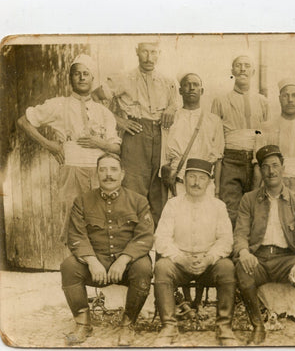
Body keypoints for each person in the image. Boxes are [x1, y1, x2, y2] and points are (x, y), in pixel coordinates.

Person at [17, 54, 121, 241]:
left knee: (101, 224)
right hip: (72, 168)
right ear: (70, 78)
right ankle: (72, 269)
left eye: (85, 74)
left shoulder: (103, 112)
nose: (81, 77)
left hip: (99, 172)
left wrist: (99, 143)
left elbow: (115, 148)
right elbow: (24, 121)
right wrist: (50, 146)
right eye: (76, 74)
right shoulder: (58, 105)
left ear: (92, 79)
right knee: (73, 224)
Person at [60, 153, 154, 346]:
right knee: (69, 266)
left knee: (144, 267)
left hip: (127, 265)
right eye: (103, 170)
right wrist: (92, 262)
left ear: (122, 174)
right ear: (97, 174)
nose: (108, 175)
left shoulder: (138, 201)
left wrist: (124, 259)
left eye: (113, 170)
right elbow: (76, 235)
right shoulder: (82, 201)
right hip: (97, 263)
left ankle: (128, 324)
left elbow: (145, 236)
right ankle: (83, 323)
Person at [234, 145, 295, 346]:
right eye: (266, 167)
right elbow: (240, 233)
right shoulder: (249, 199)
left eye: (275, 166)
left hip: (286, 259)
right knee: (242, 271)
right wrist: (244, 252)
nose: (271, 171)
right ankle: (258, 327)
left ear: (283, 168)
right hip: (259, 259)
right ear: (260, 171)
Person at [153, 158, 238, 346]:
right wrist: (180, 258)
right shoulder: (173, 204)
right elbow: (161, 238)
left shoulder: (218, 206)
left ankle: (224, 326)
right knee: (162, 267)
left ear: (209, 182)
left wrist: (209, 258)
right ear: (184, 180)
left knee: (226, 267)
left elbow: (226, 240)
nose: (196, 182)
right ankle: (169, 326)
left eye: (202, 178)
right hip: (180, 264)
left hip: (208, 264)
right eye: (191, 177)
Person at [92, 41, 179, 226]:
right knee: (133, 189)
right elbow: (94, 98)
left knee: (159, 190)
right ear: (137, 52)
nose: (149, 57)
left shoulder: (168, 81)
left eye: (153, 52)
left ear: (159, 53)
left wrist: (171, 109)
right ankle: (131, 243)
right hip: (136, 134)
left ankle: (155, 247)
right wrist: (119, 120)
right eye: (145, 52)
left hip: (162, 135)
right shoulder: (124, 78)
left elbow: (175, 103)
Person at [210, 55, 270, 227]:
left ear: (253, 71)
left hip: (255, 162)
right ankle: (231, 249)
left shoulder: (262, 101)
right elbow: (216, 136)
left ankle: (247, 250)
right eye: (238, 65)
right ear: (232, 71)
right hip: (231, 160)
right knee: (230, 209)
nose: (242, 69)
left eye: (246, 65)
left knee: (255, 208)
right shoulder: (221, 100)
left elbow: (266, 134)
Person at [162, 73, 224, 198]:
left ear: (202, 91)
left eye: (195, 85)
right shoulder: (171, 119)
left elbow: (218, 159)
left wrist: (216, 192)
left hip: (205, 183)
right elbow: (164, 158)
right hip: (178, 183)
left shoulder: (213, 120)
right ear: (180, 91)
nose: (191, 88)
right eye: (186, 85)